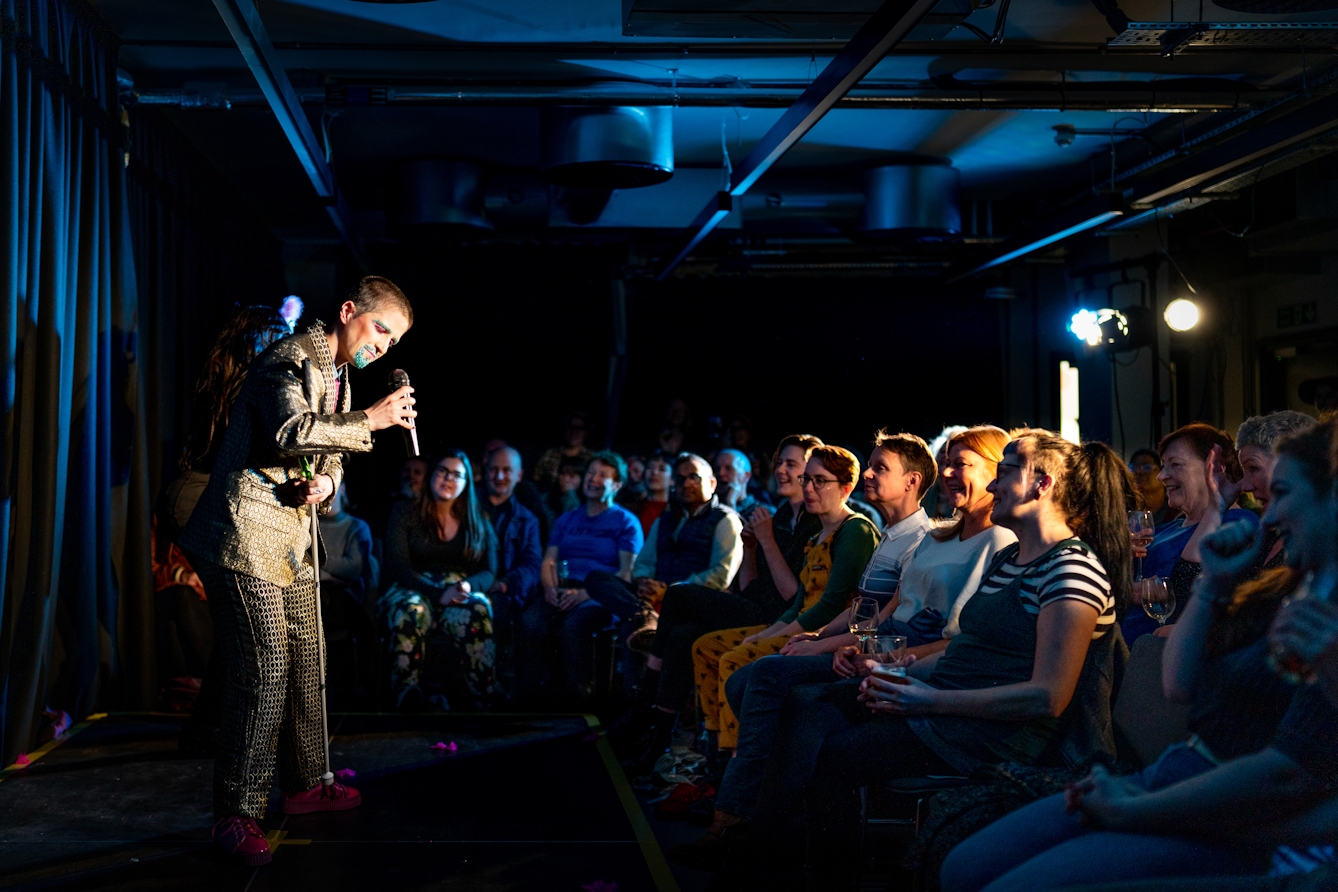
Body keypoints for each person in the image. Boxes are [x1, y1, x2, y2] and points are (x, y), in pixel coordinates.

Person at [718, 430, 1131, 890]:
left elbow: (1047, 698)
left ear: (1043, 484)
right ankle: (772, 855)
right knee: (802, 704)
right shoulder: (1013, 558)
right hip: (946, 704)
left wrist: (926, 700)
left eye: (1005, 472)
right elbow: (964, 649)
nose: (992, 487)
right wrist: (892, 669)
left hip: (991, 734)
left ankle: (773, 860)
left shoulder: (1071, 569)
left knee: (828, 747)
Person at [940, 421, 1338, 892]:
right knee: (961, 867)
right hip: (1176, 775)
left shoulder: (1318, 607)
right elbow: (1179, 686)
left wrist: (1131, 808)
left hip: (1221, 811)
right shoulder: (1290, 588)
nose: (1267, 514)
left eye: (1281, 490)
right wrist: (1212, 585)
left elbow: (1285, 775)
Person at [670, 427, 1016, 868]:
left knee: (779, 688)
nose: (947, 472)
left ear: (995, 473)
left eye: (961, 464)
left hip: (911, 663)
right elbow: (879, 609)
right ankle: (758, 824)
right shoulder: (937, 535)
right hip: (882, 647)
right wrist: (844, 643)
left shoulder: (991, 543)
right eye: (945, 461)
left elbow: (953, 636)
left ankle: (744, 825)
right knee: (750, 680)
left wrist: (852, 646)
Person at [178, 276, 415, 865]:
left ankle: (307, 783)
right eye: (379, 330)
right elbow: (290, 431)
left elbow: (327, 454)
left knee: (310, 657)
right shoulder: (288, 359)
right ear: (348, 312)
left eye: (391, 343)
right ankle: (236, 812)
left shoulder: (339, 375)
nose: (381, 348)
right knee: (263, 671)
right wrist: (373, 420)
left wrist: (329, 481)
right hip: (243, 532)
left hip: (291, 537)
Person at [609, 434, 824, 766]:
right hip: (757, 606)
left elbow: (790, 596)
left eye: (791, 464)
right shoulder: (780, 516)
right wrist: (751, 547)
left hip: (782, 619)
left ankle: (643, 706)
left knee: (679, 594)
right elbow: (751, 585)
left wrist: (764, 541)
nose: (781, 469)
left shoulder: (815, 522)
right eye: (779, 462)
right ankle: (658, 742)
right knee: (681, 638)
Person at [689, 445, 881, 756]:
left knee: (735, 658)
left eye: (820, 481)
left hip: (824, 632)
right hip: (799, 623)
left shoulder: (855, 529)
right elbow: (799, 602)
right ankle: (713, 749)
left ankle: (736, 760)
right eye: (806, 479)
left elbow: (832, 604)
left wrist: (776, 635)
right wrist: (765, 634)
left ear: (845, 488)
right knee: (706, 648)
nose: (808, 488)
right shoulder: (814, 536)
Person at [155, 305, 291, 718]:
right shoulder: (240, 386)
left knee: (240, 627)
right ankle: (216, 724)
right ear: (257, 343)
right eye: (277, 338)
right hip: (198, 497)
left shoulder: (248, 381)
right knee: (246, 625)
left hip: (208, 496)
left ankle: (209, 725)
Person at [516, 452, 644, 706]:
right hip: (563, 590)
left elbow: (626, 573)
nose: (593, 479)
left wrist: (587, 594)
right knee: (530, 622)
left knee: (575, 625)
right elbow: (549, 560)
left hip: (599, 596)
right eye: (590, 473)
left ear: (617, 485)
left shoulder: (625, 522)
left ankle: (579, 704)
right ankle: (526, 701)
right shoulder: (568, 518)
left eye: (602, 475)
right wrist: (550, 588)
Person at [381, 449, 499, 713]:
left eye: (457, 474)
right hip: (412, 585)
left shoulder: (477, 517)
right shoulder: (405, 510)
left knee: (478, 606)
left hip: (458, 587)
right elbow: (398, 567)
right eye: (442, 471)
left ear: (467, 483)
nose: (448, 478)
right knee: (412, 609)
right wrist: (437, 594)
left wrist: (468, 586)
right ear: (432, 475)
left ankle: (483, 696)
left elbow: (490, 571)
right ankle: (407, 696)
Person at [1123, 424, 1259, 643]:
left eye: (1175, 465)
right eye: (1163, 466)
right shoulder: (1168, 528)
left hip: (1160, 651)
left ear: (1214, 467)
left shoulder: (1237, 522)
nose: (1162, 476)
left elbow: (1190, 585)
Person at [585, 453, 743, 639]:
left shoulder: (725, 520)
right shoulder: (665, 520)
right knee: (597, 579)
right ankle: (646, 616)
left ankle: (646, 619)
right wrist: (644, 581)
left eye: (694, 477)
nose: (686, 484)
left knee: (634, 628)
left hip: (692, 601)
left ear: (712, 484)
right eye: (680, 479)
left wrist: (670, 591)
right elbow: (644, 561)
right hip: (653, 600)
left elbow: (721, 575)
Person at [480, 446, 543, 698]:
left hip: (505, 594)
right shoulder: (466, 509)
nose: (499, 476)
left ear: (519, 475)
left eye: (507, 470)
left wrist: (505, 584)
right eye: (494, 469)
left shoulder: (528, 520)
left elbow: (532, 565)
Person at [532, 411, 593, 489]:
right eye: (570, 427)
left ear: (586, 433)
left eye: (578, 428)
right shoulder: (550, 454)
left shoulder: (591, 458)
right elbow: (536, 477)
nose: (573, 432)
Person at [715, 448, 773, 524]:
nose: (721, 473)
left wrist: (731, 505)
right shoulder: (709, 511)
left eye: (728, 468)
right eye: (717, 469)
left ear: (746, 476)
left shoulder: (764, 513)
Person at [926, 424, 969, 518]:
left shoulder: (966, 496)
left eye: (949, 453)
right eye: (942, 451)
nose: (945, 456)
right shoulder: (924, 493)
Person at [1129, 448, 1175, 527]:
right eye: (1134, 468)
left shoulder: (1176, 513)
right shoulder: (1125, 512)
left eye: (1147, 467)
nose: (1138, 472)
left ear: (1162, 473)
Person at [634, 451, 673, 537]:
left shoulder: (676, 512)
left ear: (673, 480)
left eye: (662, 469)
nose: (654, 472)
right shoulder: (634, 508)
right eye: (650, 467)